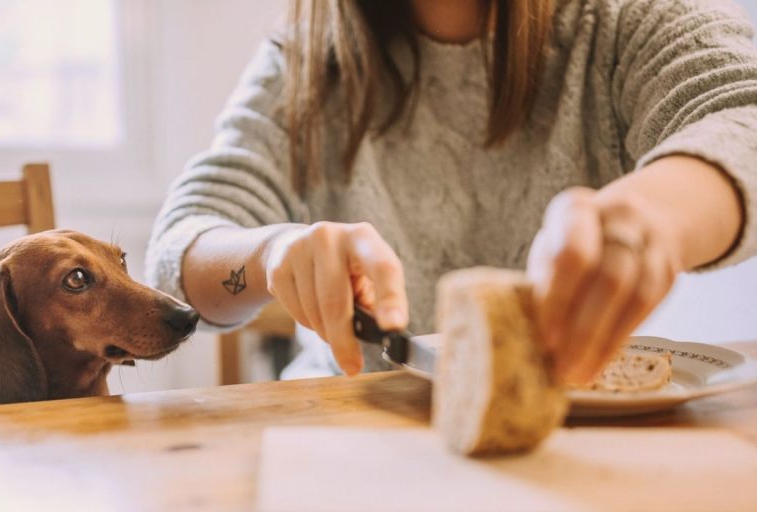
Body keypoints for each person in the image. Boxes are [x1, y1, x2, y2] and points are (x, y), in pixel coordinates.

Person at [145, 0, 757, 384]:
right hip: (352, 425)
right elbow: (178, 256)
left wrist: (653, 216)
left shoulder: (626, 20)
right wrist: (272, 253)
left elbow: (739, 109)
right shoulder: (305, 57)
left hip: (570, 420)